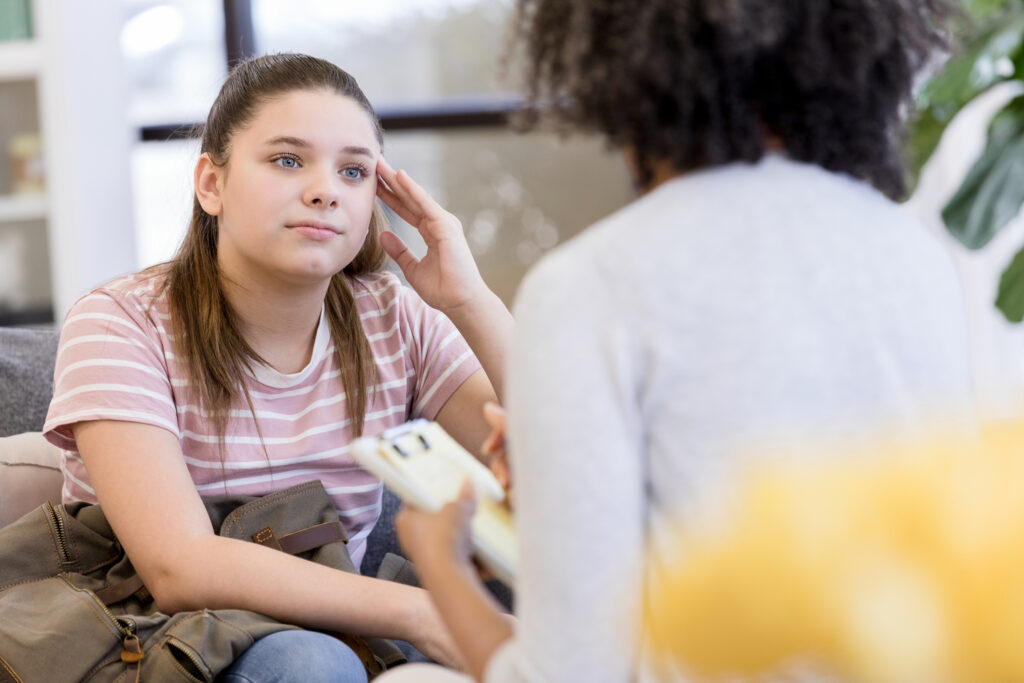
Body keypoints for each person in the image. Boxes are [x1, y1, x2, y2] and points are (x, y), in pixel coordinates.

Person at [379, 0, 974, 681]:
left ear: (619, 61)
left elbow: (565, 675)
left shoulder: (593, 283)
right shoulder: (911, 254)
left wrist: (439, 564)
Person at [42, 53, 513, 682]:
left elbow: (559, 463)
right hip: (153, 633)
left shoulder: (391, 316)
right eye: (288, 160)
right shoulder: (121, 321)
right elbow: (179, 567)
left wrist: (469, 301)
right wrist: (423, 613)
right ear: (211, 183)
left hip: (344, 626)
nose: (325, 189)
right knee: (311, 663)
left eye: (354, 171)